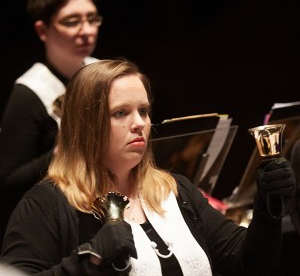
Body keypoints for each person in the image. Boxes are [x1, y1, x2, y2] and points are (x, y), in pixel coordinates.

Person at [0, 59, 296, 276]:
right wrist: (87, 262)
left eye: (143, 111)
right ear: (86, 125)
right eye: (121, 113)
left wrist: (267, 209)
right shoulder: (49, 205)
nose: (140, 123)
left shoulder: (174, 190)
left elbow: (249, 265)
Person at [0, 0, 102, 246]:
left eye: (92, 19)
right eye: (72, 21)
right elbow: (7, 181)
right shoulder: (29, 92)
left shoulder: (102, 74)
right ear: (42, 30)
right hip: (56, 228)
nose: (86, 30)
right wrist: (58, 153)